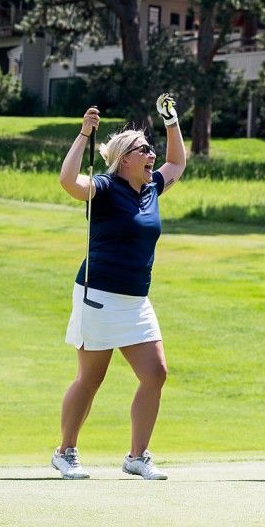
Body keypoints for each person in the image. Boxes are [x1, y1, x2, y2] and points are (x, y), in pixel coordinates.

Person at [51, 94, 187, 480]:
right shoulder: (105, 187)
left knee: (156, 373)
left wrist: (171, 121)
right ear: (124, 158)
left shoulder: (152, 188)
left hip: (135, 301)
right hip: (98, 296)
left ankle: (137, 456)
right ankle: (65, 451)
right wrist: (83, 134)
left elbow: (177, 163)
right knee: (91, 379)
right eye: (144, 150)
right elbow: (67, 181)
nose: (152, 155)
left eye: (151, 149)